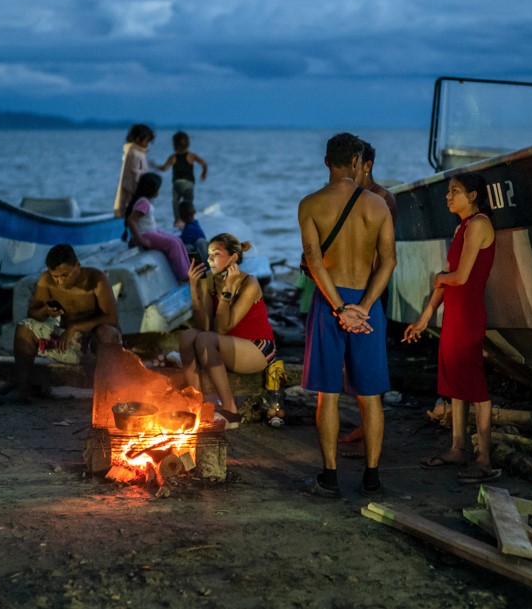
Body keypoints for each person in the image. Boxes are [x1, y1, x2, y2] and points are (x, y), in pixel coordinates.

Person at [297, 132, 396, 498]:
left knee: (328, 395)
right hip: (367, 305)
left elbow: (313, 261)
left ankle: (330, 476)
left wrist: (339, 307)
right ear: (357, 162)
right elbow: (389, 262)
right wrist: (365, 307)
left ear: (327, 162)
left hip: (330, 302)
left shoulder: (310, 204)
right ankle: (372, 477)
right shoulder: (379, 205)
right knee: (371, 397)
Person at [403, 171, 500, 483]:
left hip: (469, 314)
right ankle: (458, 448)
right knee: (456, 384)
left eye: (455, 191)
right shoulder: (463, 227)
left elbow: (459, 277)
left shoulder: (480, 224)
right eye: (448, 191)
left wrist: (440, 278)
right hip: (454, 315)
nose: (448, 196)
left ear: (472, 195)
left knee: (475, 387)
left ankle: (484, 459)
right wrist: (425, 316)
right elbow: (449, 279)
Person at [0, 244, 122, 403]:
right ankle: (24, 390)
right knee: (25, 328)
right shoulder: (46, 280)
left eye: (65, 275)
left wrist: (75, 327)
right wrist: (45, 311)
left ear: (77, 266)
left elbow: (112, 318)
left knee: (107, 332)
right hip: (66, 344)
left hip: (96, 346)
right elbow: (32, 313)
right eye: (55, 276)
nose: (59, 282)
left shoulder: (96, 279)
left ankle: (109, 395)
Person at [337, 140, 400, 456]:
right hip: (350, 289)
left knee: (368, 368)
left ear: (366, 165)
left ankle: (369, 431)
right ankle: (364, 426)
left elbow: (383, 255)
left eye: (355, 163)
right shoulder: (347, 197)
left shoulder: (382, 199)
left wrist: (364, 300)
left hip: (371, 290)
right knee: (353, 368)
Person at [177, 233, 277, 429]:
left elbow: (222, 327)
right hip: (227, 346)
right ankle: (197, 407)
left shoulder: (250, 283)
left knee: (205, 340)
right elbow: (203, 326)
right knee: (188, 336)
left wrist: (227, 291)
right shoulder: (210, 280)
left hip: (258, 348)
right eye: (208, 255)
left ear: (233, 258)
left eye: (216, 254)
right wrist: (194, 288)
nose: (209, 260)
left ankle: (231, 411)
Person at [122, 172, 191, 283]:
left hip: (152, 232)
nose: (159, 191)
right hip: (146, 234)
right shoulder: (143, 202)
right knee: (173, 244)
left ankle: (191, 269)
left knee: (178, 240)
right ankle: (184, 275)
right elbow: (131, 220)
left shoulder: (144, 201)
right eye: (158, 188)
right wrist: (140, 239)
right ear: (152, 190)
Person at [152, 130, 209, 227]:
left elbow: (164, 168)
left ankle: (178, 221)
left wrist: (154, 166)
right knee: (189, 202)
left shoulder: (173, 157)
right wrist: (203, 173)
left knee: (175, 202)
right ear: (188, 144)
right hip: (188, 184)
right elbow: (204, 164)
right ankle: (190, 220)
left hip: (177, 184)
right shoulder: (191, 156)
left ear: (174, 145)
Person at [114, 124, 155, 218]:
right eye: (147, 141)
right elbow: (136, 176)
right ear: (137, 139)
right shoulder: (136, 155)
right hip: (134, 194)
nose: (148, 144)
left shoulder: (133, 153)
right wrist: (144, 194)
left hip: (132, 194)